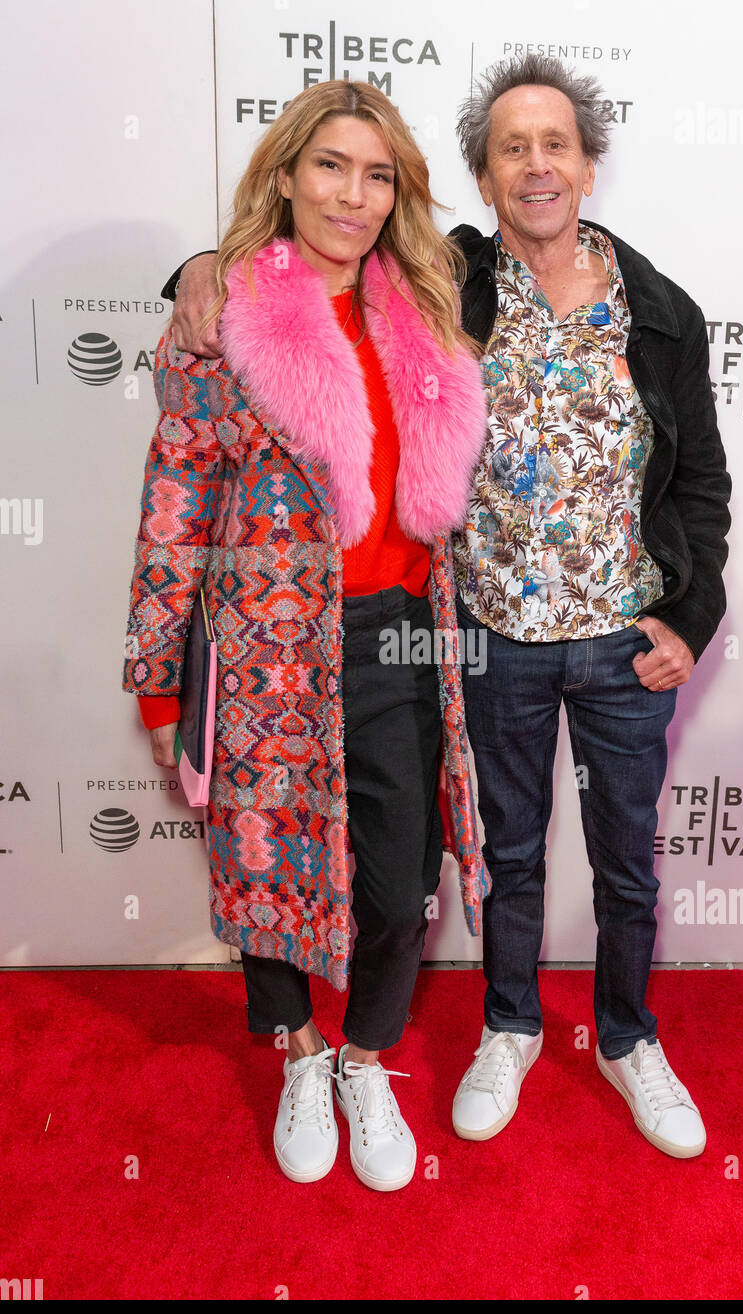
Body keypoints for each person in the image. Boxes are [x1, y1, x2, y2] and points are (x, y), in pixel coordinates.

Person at [163, 55, 732, 1161]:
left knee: (625, 858)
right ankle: (509, 1027)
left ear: (588, 160)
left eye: (554, 143)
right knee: (505, 853)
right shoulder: (444, 280)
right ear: (480, 174)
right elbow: (301, 271)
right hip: (481, 632)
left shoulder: (663, 311)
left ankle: (627, 1037)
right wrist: (196, 266)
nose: (535, 164)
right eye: (510, 147)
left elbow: (700, 483)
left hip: (622, 636)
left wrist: (689, 615)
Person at [122, 79, 489, 1193]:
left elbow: (549, 228)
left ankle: (365, 1057)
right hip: (265, 645)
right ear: (285, 174)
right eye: (330, 165)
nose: (354, 194)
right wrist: (156, 683)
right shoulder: (220, 317)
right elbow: (174, 501)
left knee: (395, 884)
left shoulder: (426, 304)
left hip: (399, 640)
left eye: (378, 174)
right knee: (267, 869)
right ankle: (297, 1050)